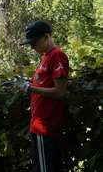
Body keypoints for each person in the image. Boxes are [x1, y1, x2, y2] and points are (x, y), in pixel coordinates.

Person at [20, 20, 69, 172]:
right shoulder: (45, 57)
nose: (32, 47)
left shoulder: (57, 55)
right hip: (40, 125)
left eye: (34, 42)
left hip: (45, 126)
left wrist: (30, 88)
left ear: (47, 36)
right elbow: (44, 83)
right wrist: (30, 83)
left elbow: (60, 92)